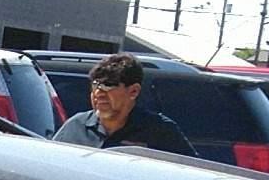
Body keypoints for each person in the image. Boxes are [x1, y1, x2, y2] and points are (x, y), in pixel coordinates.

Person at [52, 53, 198, 156]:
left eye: (109, 85)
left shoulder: (160, 132)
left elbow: (191, 177)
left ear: (133, 91)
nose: (99, 93)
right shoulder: (75, 126)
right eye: (95, 85)